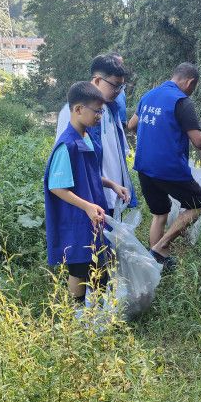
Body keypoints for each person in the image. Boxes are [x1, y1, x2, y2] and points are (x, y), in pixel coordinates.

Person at [128, 63, 201, 268]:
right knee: (197, 203)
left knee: (160, 213)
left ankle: (155, 264)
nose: (192, 92)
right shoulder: (182, 102)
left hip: (145, 166)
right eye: (193, 88)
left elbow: (131, 125)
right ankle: (159, 247)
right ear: (190, 82)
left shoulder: (148, 96)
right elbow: (198, 141)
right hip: (168, 167)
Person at [45, 81, 130, 302]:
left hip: (92, 213)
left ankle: (96, 312)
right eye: (97, 111)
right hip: (77, 217)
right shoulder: (67, 145)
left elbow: (88, 173)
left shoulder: (87, 137)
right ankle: (75, 313)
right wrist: (87, 206)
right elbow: (57, 186)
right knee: (79, 266)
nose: (100, 116)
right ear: (78, 109)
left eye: (101, 111)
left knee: (99, 261)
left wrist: (111, 184)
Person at [55, 54, 137, 214]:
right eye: (115, 86)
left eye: (121, 87)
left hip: (113, 193)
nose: (118, 92)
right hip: (90, 198)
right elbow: (67, 159)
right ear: (98, 80)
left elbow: (120, 151)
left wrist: (117, 184)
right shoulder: (73, 111)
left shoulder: (112, 109)